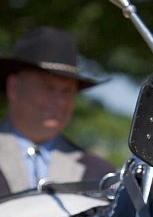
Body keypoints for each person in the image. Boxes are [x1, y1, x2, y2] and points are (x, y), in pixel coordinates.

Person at [0, 26, 115, 197]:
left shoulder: (101, 175)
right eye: (48, 87)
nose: (59, 101)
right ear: (14, 87)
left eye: (67, 91)